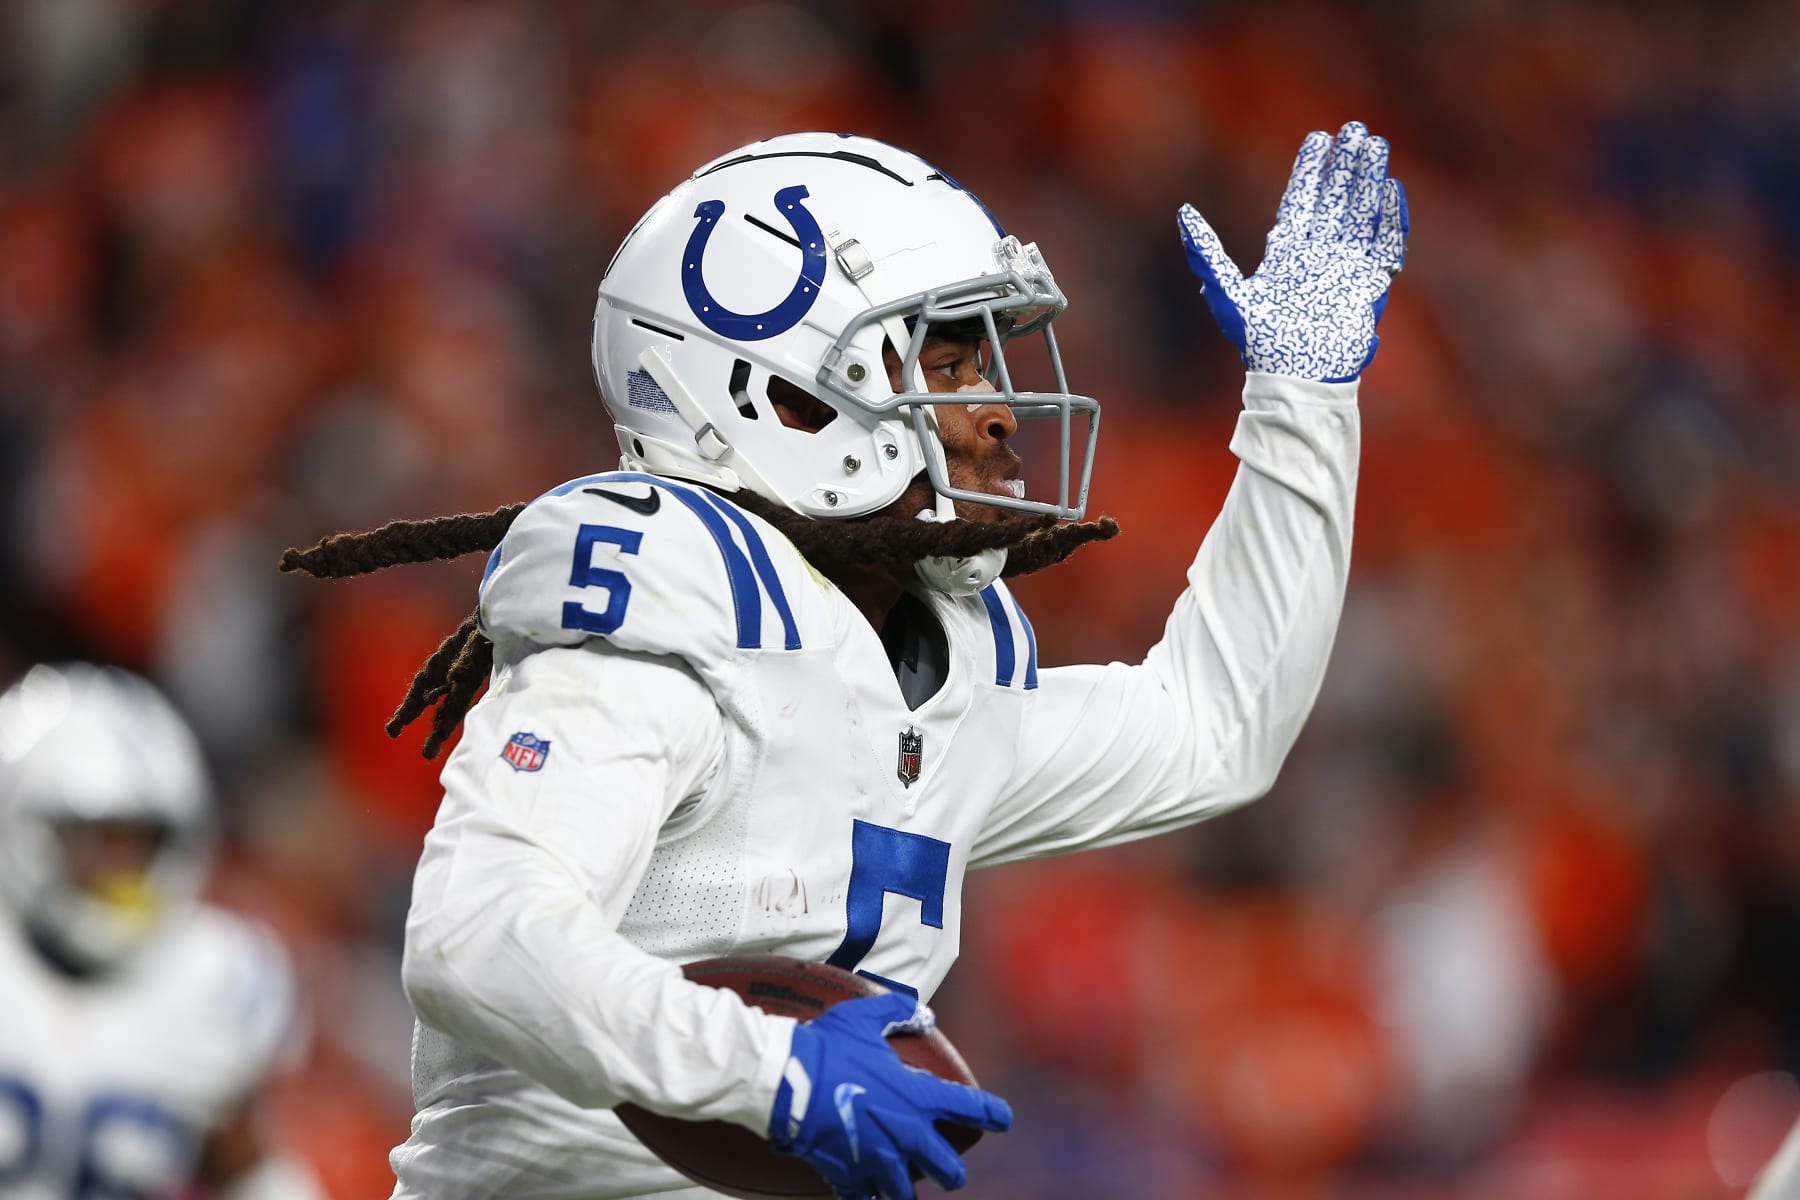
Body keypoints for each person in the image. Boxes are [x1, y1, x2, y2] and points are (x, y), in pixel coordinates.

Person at [283, 123, 1406, 1199]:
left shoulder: (935, 666)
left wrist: (1303, 404)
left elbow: (1215, 729)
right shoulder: (672, 628)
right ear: (779, 395)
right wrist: (767, 1075)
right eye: (948, 360)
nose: (1000, 413)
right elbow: (476, 934)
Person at [0, 662, 325, 1200]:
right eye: (100, 841)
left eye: (141, 845)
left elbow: (246, 1168)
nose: (121, 872)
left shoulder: (209, 980)